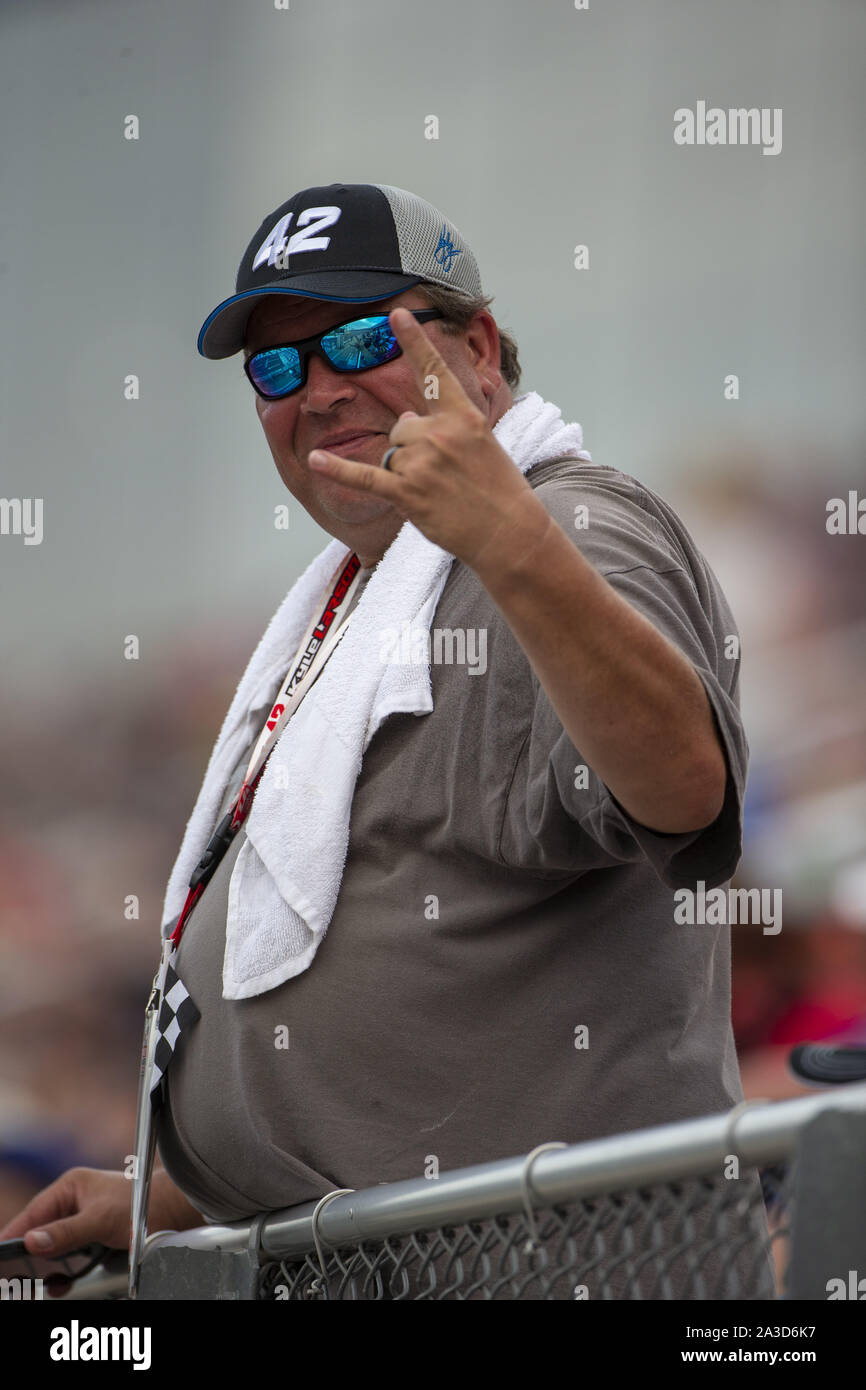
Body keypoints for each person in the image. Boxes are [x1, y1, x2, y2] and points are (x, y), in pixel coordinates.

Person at [0, 183, 775, 1298]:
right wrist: (174, 1197)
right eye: (277, 367)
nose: (316, 389)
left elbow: (684, 791)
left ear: (482, 353)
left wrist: (508, 533)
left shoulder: (568, 521)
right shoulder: (362, 605)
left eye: (360, 338)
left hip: (559, 1268)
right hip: (383, 1258)